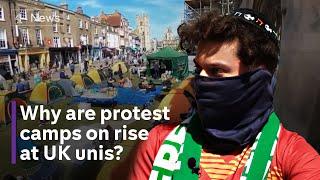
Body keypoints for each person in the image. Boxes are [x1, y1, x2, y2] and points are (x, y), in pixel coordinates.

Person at [129, 9, 320, 180]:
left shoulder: (293, 157)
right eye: (198, 69)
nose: (200, 79)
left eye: (216, 70)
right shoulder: (158, 143)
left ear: (259, 78)